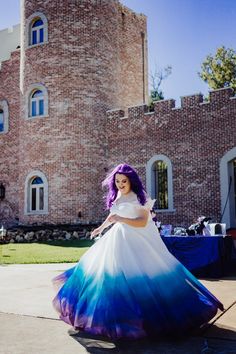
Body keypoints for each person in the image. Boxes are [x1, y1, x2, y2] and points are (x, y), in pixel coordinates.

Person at [52, 163, 223, 340]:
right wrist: (101, 228)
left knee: (144, 278)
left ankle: (149, 320)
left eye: (123, 181)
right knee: (107, 276)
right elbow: (113, 216)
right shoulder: (117, 195)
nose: (120, 184)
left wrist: (121, 219)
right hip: (117, 238)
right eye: (117, 181)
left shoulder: (140, 198)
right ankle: (114, 319)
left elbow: (141, 222)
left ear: (131, 181)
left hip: (137, 240)